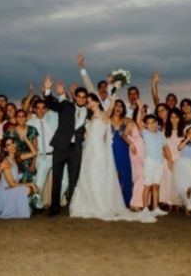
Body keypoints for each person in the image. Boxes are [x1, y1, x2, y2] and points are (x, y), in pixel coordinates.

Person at [69, 93, 155, 223]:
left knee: (98, 175)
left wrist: (113, 98)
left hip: (98, 151)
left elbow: (110, 110)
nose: (89, 104)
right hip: (89, 151)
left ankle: (101, 205)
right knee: (89, 176)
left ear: (98, 102)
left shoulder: (104, 115)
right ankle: (91, 204)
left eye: (92, 101)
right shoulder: (91, 117)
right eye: (88, 102)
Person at [43, 74, 88, 216]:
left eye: (83, 97)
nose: (80, 99)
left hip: (76, 150)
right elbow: (51, 104)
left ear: (86, 99)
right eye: (78, 96)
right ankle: (54, 208)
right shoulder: (66, 106)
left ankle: (73, 207)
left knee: (74, 180)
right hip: (60, 147)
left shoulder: (90, 112)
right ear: (74, 97)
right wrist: (48, 90)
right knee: (57, 179)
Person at [0, 136, 38, 219]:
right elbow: (11, 184)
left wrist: (25, 138)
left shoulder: (17, 158)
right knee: (27, 189)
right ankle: (13, 210)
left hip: (10, 188)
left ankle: (24, 208)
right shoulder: (6, 162)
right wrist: (31, 184)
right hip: (3, 192)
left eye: (13, 143)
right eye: (8, 145)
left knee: (32, 189)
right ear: (5, 149)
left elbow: (34, 153)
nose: (12, 146)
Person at [27, 98, 58, 209]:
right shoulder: (30, 123)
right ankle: (36, 205)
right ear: (34, 109)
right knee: (39, 183)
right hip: (40, 156)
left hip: (55, 155)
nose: (40, 110)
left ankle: (56, 202)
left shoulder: (52, 120)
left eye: (43, 108)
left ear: (46, 109)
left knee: (64, 183)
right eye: (38, 108)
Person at [137, 113, 170, 216]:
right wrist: (140, 107)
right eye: (149, 123)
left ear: (157, 123)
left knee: (156, 186)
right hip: (150, 161)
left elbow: (165, 148)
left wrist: (170, 160)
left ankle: (155, 207)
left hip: (160, 162)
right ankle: (145, 208)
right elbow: (138, 122)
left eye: (153, 123)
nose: (151, 125)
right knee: (148, 185)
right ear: (146, 125)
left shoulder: (161, 134)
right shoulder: (145, 133)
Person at [109, 99, 133, 206]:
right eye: (116, 105)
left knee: (125, 175)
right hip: (111, 150)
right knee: (114, 175)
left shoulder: (127, 121)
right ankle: (114, 201)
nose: (118, 108)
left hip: (124, 150)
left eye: (121, 106)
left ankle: (125, 201)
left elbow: (137, 129)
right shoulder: (107, 120)